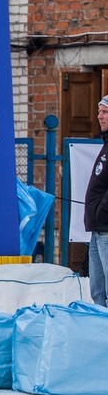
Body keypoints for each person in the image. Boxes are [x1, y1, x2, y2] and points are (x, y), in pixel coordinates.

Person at [83, 96, 108, 305]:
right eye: (99, 111)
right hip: (97, 230)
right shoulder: (106, 145)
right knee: (97, 292)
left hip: (106, 228)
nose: (99, 116)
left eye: (105, 112)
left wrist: (101, 211)